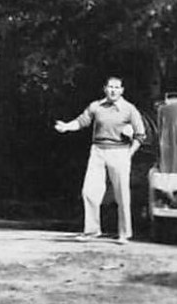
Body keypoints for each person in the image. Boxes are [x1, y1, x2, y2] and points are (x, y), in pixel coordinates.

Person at [54, 76, 147, 243]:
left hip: (120, 152)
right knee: (89, 191)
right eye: (110, 87)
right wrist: (66, 127)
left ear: (122, 90)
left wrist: (130, 153)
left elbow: (140, 135)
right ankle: (91, 231)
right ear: (105, 89)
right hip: (97, 151)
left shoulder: (129, 109)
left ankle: (124, 234)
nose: (113, 90)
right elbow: (82, 121)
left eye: (117, 87)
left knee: (121, 194)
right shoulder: (96, 106)